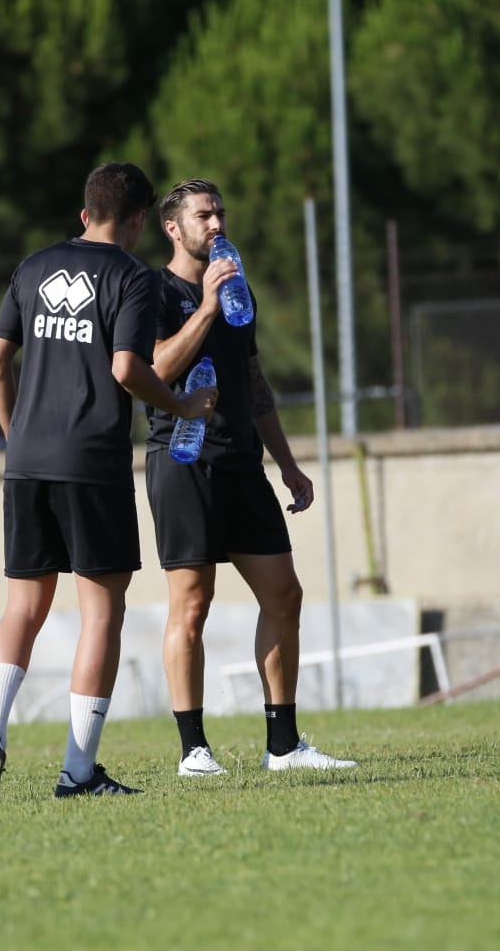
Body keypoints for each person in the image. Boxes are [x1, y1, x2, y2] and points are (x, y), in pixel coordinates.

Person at [0, 163, 218, 801]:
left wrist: (15, 431)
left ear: (84, 214)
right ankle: (78, 772)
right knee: (100, 611)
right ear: (137, 222)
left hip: (26, 461)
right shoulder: (131, 275)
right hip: (91, 461)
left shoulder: (33, 266)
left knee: (22, 606)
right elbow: (129, 368)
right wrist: (183, 407)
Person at [144, 178, 355, 776]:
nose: (216, 225)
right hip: (183, 461)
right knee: (192, 603)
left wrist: (287, 465)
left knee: (285, 594)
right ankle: (193, 751)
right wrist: (207, 305)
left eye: (220, 214)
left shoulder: (240, 289)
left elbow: (255, 383)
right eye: (203, 216)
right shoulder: (153, 290)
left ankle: (283, 746)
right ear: (173, 228)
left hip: (243, 463)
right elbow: (154, 367)